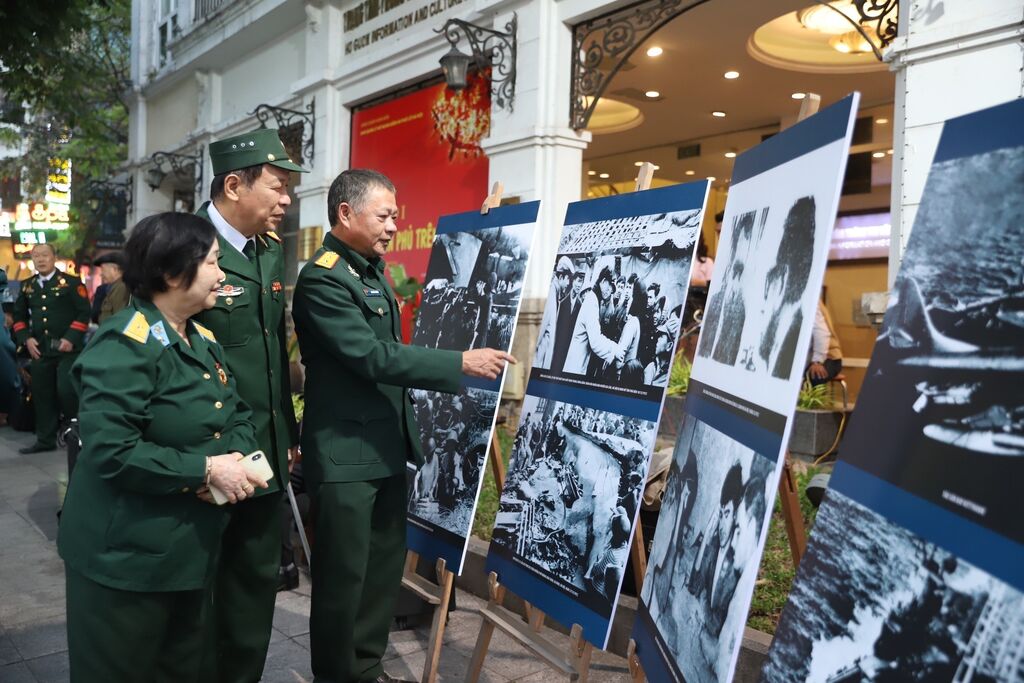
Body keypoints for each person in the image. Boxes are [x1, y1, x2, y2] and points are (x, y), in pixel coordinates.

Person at [292, 169, 515, 683]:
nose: (394, 226)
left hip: (386, 446)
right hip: (347, 453)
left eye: (396, 216)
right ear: (346, 213)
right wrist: (457, 363)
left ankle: (365, 667)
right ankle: (336, 675)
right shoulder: (323, 278)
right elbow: (371, 356)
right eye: (384, 215)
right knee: (343, 580)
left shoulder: (371, 271)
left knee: (379, 573)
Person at [57, 212, 267, 681]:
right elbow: (112, 450)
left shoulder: (202, 338)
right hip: (125, 559)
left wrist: (237, 458)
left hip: (186, 553)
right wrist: (206, 471)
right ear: (173, 274)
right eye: (213, 262)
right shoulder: (124, 343)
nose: (222, 274)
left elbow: (236, 413)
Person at [191, 128, 306, 682]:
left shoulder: (269, 250)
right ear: (234, 185)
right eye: (277, 187)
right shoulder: (183, 248)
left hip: (264, 449)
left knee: (257, 579)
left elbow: (268, 354)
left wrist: (287, 433)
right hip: (208, 455)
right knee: (202, 581)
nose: (286, 200)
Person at [12, 244, 90, 453]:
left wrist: (71, 338)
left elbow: (84, 313)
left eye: (45, 255)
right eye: (36, 256)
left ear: (54, 257)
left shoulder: (71, 283)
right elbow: (18, 317)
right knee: (42, 393)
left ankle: (78, 434)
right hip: (41, 350)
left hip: (68, 349)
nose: (41, 259)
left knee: (67, 390)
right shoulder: (27, 286)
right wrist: (26, 339)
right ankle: (45, 440)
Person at [563, 266, 622, 375]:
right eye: (610, 287)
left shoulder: (593, 299)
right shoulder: (592, 301)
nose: (610, 292)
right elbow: (595, 341)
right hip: (576, 365)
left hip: (578, 361)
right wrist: (615, 350)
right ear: (604, 281)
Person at [806, 298, 844, 386]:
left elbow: (821, 333)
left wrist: (817, 361)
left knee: (814, 376)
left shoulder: (811, 300)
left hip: (829, 357)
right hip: (811, 357)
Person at [94, 252, 130, 323]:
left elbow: (119, 320)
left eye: (103, 270)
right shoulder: (115, 287)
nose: (101, 274)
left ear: (115, 269)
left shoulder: (121, 288)